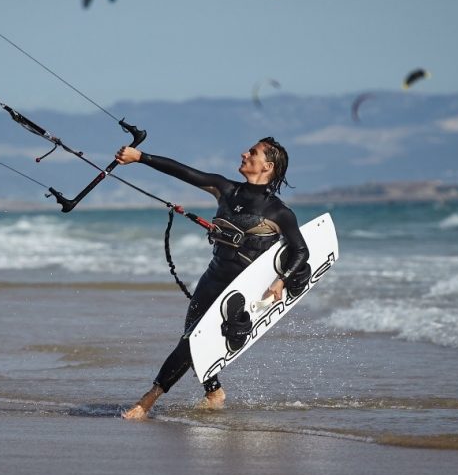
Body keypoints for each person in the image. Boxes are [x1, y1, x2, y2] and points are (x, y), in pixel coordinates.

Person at [114, 137, 311, 420]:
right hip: (211, 279)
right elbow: (183, 171)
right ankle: (214, 391)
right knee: (193, 339)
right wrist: (140, 157)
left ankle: (147, 402)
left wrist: (282, 280)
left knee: (191, 341)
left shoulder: (278, 212)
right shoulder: (226, 189)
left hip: (238, 291)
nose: (244, 153)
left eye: (252, 152)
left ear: (267, 166)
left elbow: (300, 251)